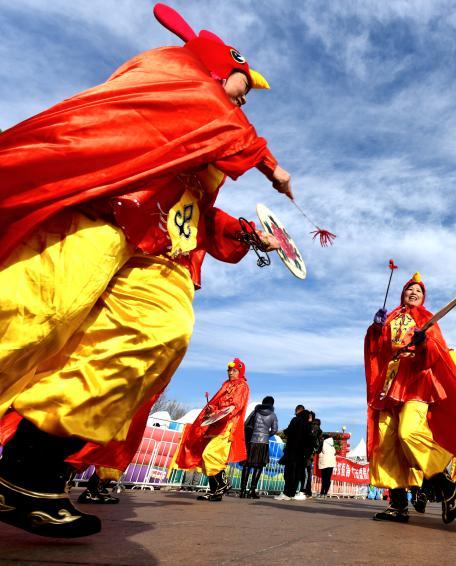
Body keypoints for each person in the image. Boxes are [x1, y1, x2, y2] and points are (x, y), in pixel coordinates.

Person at [0, 3, 288, 538]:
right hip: (100, 218)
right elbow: (215, 122)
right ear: (213, 69)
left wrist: (249, 233)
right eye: (241, 85)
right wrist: (270, 164)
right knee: (33, 315)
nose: (246, 100)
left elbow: (196, 210)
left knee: (161, 334)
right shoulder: (167, 79)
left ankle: (27, 469)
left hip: (158, 253)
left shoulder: (215, 135)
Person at [364, 272, 456, 523]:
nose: (413, 293)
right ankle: (397, 505)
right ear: (402, 293)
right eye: (409, 289)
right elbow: (379, 351)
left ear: (423, 296)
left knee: (409, 433)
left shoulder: (428, 319)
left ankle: (446, 487)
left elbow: (436, 355)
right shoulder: (391, 318)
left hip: (416, 383)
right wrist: (375, 330)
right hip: (389, 385)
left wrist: (424, 343)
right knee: (388, 443)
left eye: (418, 290)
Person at [175, 359, 250, 501]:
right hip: (215, 425)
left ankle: (223, 483)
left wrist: (221, 410)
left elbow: (236, 406)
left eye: (234, 370)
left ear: (240, 372)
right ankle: (215, 491)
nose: (230, 373)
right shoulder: (226, 385)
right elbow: (218, 404)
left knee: (211, 454)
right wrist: (212, 409)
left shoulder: (242, 386)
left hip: (227, 426)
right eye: (229, 370)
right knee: (206, 457)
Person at [240, 396, 278, 499]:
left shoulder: (255, 412)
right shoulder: (273, 415)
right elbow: (274, 430)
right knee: (259, 466)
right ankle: (252, 491)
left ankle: (242, 491)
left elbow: (246, 424)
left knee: (247, 465)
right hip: (263, 442)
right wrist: (266, 434)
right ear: (272, 404)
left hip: (252, 441)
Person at [275, 406, 313, 501]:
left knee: (289, 473)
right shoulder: (308, 424)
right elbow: (309, 440)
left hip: (292, 451)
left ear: (298, 411)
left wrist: (285, 431)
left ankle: (286, 493)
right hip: (302, 454)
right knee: (297, 475)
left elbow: (289, 431)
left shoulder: (295, 420)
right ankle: (291, 493)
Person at [303, 414, 323, 497]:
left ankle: (304, 490)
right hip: (311, 454)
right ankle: (308, 491)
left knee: (306, 473)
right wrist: (316, 451)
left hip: (307, 453)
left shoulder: (311, 430)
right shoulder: (320, 432)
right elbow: (320, 444)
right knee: (308, 473)